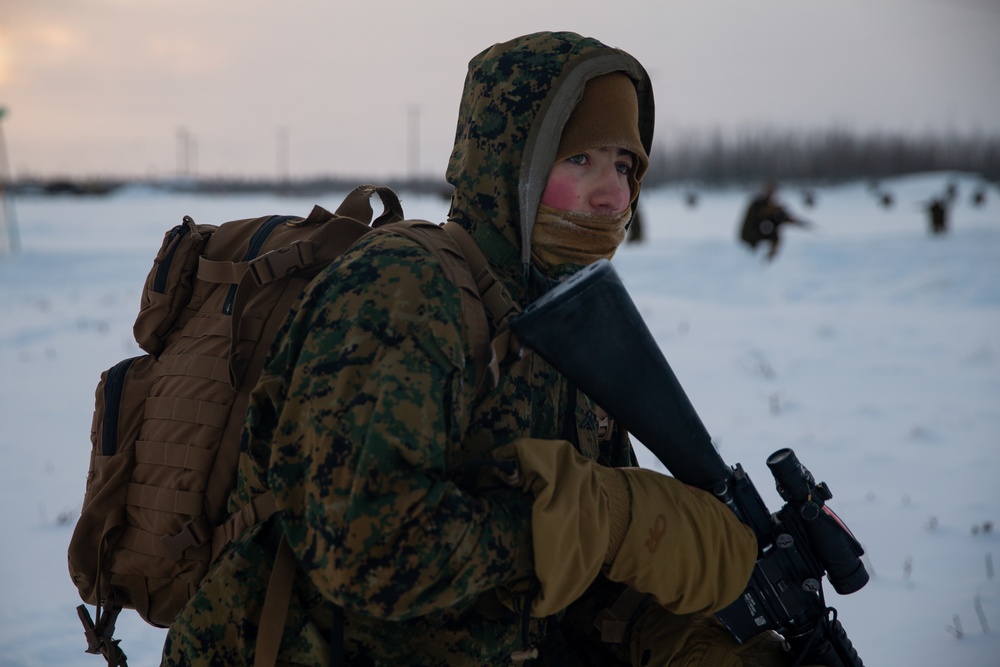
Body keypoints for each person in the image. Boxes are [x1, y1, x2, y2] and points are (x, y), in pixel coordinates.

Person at [162, 31, 797, 667]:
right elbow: (363, 549)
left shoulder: (558, 321)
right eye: (580, 160)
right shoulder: (404, 291)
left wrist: (667, 637)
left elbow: (569, 578)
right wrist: (606, 520)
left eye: (625, 166)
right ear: (511, 164)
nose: (613, 195)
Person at [738, 183, 809, 261]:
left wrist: (795, 221)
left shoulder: (769, 204)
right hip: (749, 234)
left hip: (758, 232)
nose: (771, 193)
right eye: (769, 190)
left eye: (772, 191)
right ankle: (765, 260)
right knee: (774, 233)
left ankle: (768, 258)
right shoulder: (758, 203)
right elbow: (764, 214)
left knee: (775, 232)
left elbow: (780, 217)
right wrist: (775, 210)